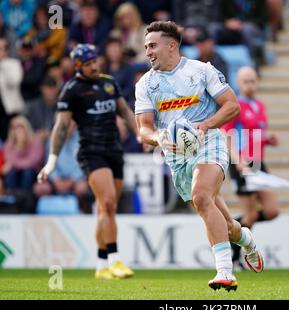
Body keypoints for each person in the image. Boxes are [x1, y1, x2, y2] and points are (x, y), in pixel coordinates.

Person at [135, 21, 264, 291]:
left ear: (172, 46)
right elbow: (143, 128)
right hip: (177, 157)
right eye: (146, 46)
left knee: (202, 196)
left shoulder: (201, 71)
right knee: (226, 224)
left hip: (209, 143)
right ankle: (246, 239)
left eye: (152, 45)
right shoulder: (145, 84)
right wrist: (158, 136)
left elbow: (232, 106)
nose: (147, 51)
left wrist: (205, 125)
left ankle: (225, 272)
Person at [37, 43, 137, 280]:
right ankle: (115, 260)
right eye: (89, 63)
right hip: (91, 153)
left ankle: (101, 265)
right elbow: (61, 127)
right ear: (78, 66)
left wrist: (142, 135)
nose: (95, 66)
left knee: (105, 209)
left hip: (114, 150)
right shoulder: (71, 90)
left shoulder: (109, 83)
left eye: (96, 61)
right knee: (109, 203)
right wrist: (51, 160)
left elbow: (125, 112)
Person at [222, 66, 279, 271]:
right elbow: (227, 135)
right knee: (251, 216)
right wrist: (238, 160)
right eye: (246, 81)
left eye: (253, 80)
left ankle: (230, 227)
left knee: (272, 210)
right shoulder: (235, 105)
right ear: (238, 83)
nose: (250, 85)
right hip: (243, 163)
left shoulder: (259, 105)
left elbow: (254, 135)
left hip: (258, 163)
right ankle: (236, 256)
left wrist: (267, 140)